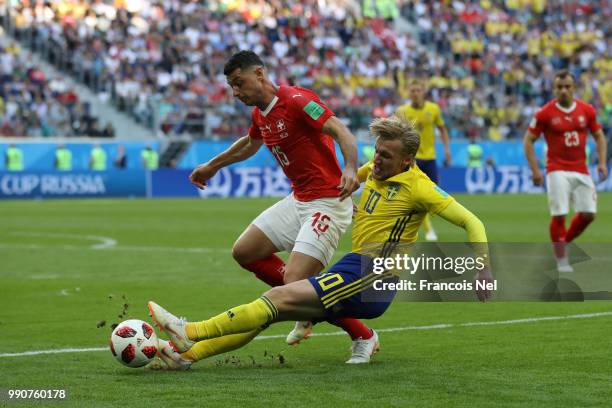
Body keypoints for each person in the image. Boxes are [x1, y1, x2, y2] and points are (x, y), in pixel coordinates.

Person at [149, 117, 492, 370]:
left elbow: (471, 221)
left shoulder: (420, 186)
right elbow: (340, 189)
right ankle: (186, 356)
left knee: (277, 296)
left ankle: (189, 330)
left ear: (407, 161)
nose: (377, 160)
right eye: (377, 151)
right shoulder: (374, 170)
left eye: (387, 155)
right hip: (355, 267)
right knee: (274, 312)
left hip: (375, 274)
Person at [188, 50, 374, 362]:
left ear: (259, 74)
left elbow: (341, 130)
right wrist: (212, 165)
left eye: (239, 82)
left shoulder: (298, 100)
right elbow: (250, 144)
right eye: (232, 86)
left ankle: (361, 334)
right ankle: (309, 306)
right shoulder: (260, 114)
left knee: (292, 286)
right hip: (298, 199)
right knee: (245, 252)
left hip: (327, 203)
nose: (236, 92)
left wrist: (351, 169)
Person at [524, 69, 608, 273]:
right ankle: (562, 259)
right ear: (554, 89)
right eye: (559, 87)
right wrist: (535, 170)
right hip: (556, 169)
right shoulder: (544, 113)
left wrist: (602, 162)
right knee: (560, 214)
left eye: (567, 87)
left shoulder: (586, 110)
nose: (563, 91)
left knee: (589, 214)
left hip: (581, 169)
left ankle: (563, 242)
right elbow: (528, 140)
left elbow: (599, 136)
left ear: (574, 88)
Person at [395, 79, 451, 242]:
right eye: (412, 90)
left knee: (432, 195)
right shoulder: (401, 111)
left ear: (423, 92)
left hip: (430, 157)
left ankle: (416, 224)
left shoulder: (433, 109)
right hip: (412, 159)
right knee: (415, 195)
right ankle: (428, 230)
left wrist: (446, 149)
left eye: (418, 90)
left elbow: (442, 129)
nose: (415, 93)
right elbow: (397, 134)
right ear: (408, 93)